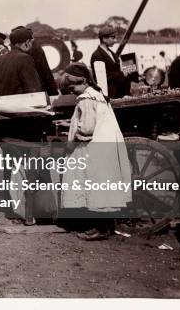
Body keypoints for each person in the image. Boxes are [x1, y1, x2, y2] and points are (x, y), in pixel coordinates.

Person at [59, 63, 131, 240]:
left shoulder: (87, 99)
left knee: (93, 181)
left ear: (83, 81)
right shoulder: (96, 95)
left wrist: (73, 139)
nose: (72, 91)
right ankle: (103, 226)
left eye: (73, 87)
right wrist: (73, 123)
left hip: (94, 147)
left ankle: (100, 228)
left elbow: (87, 130)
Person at [0, 26, 42, 96]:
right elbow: (33, 88)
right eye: (31, 42)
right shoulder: (25, 58)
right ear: (27, 42)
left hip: (1, 104)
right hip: (20, 104)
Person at [89, 26, 128, 98]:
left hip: (118, 92)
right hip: (109, 95)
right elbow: (102, 77)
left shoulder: (111, 52)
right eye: (113, 37)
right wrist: (122, 74)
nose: (115, 40)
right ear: (104, 39)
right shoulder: (97, 55)